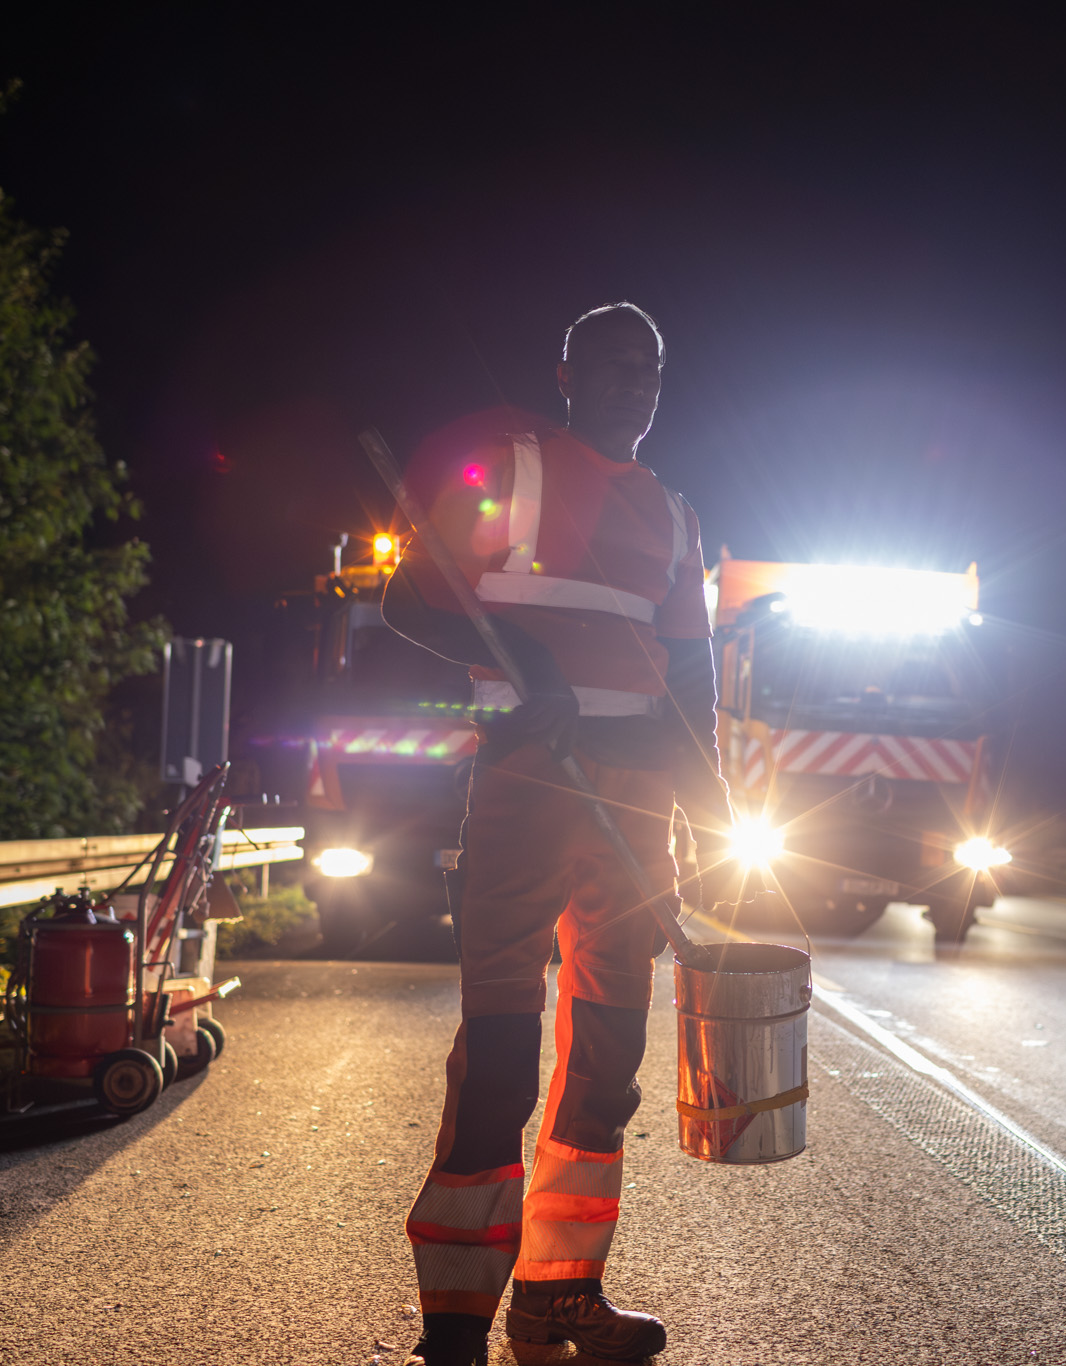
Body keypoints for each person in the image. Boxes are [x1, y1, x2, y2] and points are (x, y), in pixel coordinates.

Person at [382, 303, 735, 1366]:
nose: (634, 383)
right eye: (613, 365)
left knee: (609, 1060)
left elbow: (691, 680)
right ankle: (453, 1329)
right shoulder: (513, 466)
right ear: (568, 372)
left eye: (651, 369)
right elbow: (410, 600)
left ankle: (557, 1298)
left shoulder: (673, 514)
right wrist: (527, 671)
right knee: (498, 1057)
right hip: (529, 780)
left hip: (637, 808)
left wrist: (712, 808)